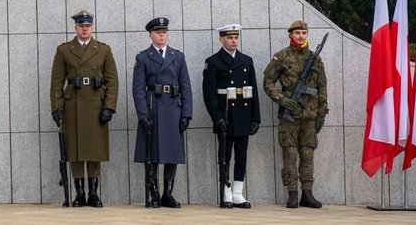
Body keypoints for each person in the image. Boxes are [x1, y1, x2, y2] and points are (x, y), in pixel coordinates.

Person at [49, 10, 119, 208]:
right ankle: (79, 193)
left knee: (94, 151)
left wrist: (109, 107)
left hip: (96, 104)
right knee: (75, 151)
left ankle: (94, 194)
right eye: (81, 26)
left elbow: (112, 81)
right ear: (75, 28)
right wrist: (56, 107)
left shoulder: (103, 50)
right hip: (73, 105)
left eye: (88, 26)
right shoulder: (64, 50)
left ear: (92, 27)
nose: (85, 29)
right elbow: (56, 82)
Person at [263, 20, 327, 209]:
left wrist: (322, 113)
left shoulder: (315, 59)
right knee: (290, 153)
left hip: (310, 114)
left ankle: (307, 193)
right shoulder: (281, 57)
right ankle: (292, 193)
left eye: (304, 33)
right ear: (290, 35)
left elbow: (322, 87)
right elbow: (268, 81)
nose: (301, 36)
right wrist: (281, 99)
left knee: (307, 153)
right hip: (290, 114)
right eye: (297, 33)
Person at [132, 17, 192, 208]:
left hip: (173, 109)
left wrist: (186, 114)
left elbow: (186, 87)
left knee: (172, 153)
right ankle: (153, 193)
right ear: (150, 35)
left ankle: (168, 194)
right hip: (153, 109)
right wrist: (143, 115)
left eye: (164, 32)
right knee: (153, 154)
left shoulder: (177, 56)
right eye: (158, 33)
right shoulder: (143, 57)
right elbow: (138, 89)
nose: (162, 36)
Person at [202, 24, 260, 209]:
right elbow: (209, 94)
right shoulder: (213, 62)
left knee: (241, 155)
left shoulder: (246, 60)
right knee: (225, 156)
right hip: (226, 115)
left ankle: (237, 193)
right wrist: (216, 118)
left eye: (235, 38)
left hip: (244, 114)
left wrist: (256, 118)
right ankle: (226, 191)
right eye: (229, 38)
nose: (233, 41)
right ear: (221, 40)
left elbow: (254, 92)